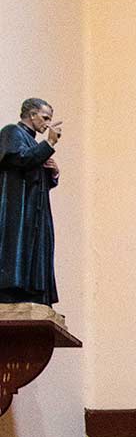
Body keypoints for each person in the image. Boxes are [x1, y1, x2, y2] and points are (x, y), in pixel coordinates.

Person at [0, 97, 60, 305]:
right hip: (19, 207)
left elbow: (37, 173)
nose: (47, 123)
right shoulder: (12, 133)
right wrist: (49, 143)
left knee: (38, 248)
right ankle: (14, 290)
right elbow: (19, 159)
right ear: (32, 114)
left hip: (35, 208)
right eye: (45, 117)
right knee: (18, 247)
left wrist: (53, 174)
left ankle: (34, 291)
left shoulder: (34, 143)